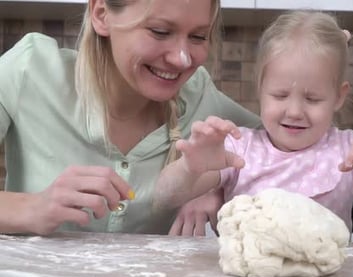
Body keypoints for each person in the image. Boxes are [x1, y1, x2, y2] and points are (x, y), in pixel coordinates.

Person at [0, 0, 260, 235]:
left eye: (198, 36)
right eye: (160, 31)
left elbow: (291, 151)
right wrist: (32, 207)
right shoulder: (29, 69)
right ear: (101, 14)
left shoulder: (202, 99)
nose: (181, 59)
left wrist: (221, 186)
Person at [165, 10, 353, 233]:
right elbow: (166, 196)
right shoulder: (238, 148)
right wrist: (190, 168)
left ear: (338, 97)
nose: (294, 111)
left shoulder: (350, 153)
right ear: (260, 89)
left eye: (313, 98)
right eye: (280, 95)